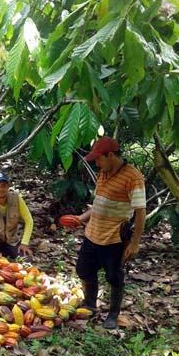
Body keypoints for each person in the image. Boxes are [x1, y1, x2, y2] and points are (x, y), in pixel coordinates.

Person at [63, 137, 145, 329]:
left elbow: (141, 212)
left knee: (114, 276)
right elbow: (99, 204)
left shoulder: (133, 177)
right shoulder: (103, 173)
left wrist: (134, 242)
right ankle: (90, 304)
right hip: (93, 233)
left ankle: (113, 314)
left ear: (111, 155)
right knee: (83, 269)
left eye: (99, 159)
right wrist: (81, 218)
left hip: (114, 238)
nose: (97, 163)